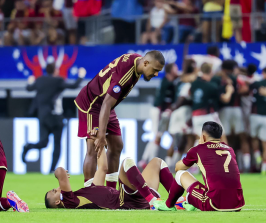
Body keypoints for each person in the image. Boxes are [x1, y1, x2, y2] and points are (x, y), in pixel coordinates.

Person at [74, 51, 165, 188]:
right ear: (145, 63)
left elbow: (108, 102)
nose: (156, 74)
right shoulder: (126, 74)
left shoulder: (137, 61)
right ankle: (89, 193)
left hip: (106, 104)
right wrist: (101, 135)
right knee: (93, 147)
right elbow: (106, 103)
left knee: (117, 145)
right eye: (155, 70)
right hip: (92, 104)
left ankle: (111, 190)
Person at [44, 128, 179, 210]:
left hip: (136, 197)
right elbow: (60, 171)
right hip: (125, 200)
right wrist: (58, 173)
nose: (57, 188)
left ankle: (177, 200)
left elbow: (102, 168)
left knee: (157, 162)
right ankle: (153, 201)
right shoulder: (70, 201)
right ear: (58, 201)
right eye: (54, 191)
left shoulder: (86, 192)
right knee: (127, 163)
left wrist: (99, 141)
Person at [153, 121, 245, 211]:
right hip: (238, 203)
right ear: (220, 137)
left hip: (214, 203)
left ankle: (168, 205)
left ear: (203, 137)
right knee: (208, 186)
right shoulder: (230, 149)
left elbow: (178, 168)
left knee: (180, 174)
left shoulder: (198, 150)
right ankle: (190, 202)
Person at [22, 63, 84, 173]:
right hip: (56, 117)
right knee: (57, 144)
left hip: (43, 117)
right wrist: (81, 76)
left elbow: (28, 88)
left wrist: (30, 81)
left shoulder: (40, 80)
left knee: (43, 143)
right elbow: (74, 86)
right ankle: (51, 170)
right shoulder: (58, 81)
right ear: (55, 71)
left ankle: (28, 146)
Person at [213, 60, 250, 172]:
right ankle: (247, 165)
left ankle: (227, 166)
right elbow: (245, 88)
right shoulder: (236, 78)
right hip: (236, 109)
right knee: (242, 137)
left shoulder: (218, 78)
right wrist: (236, 92)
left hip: (224, 110)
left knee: (225, 138)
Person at [140, 63, 178, 169]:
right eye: (175, 68)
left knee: (157, 136)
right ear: (170, 70)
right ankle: (149, 161)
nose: (177, 70)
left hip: (160, 110)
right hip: (159, 111)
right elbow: (163, 99)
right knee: (157, 135)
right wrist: (162, 113)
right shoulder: (167, 83)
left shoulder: (168, 82)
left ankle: (144, 160)